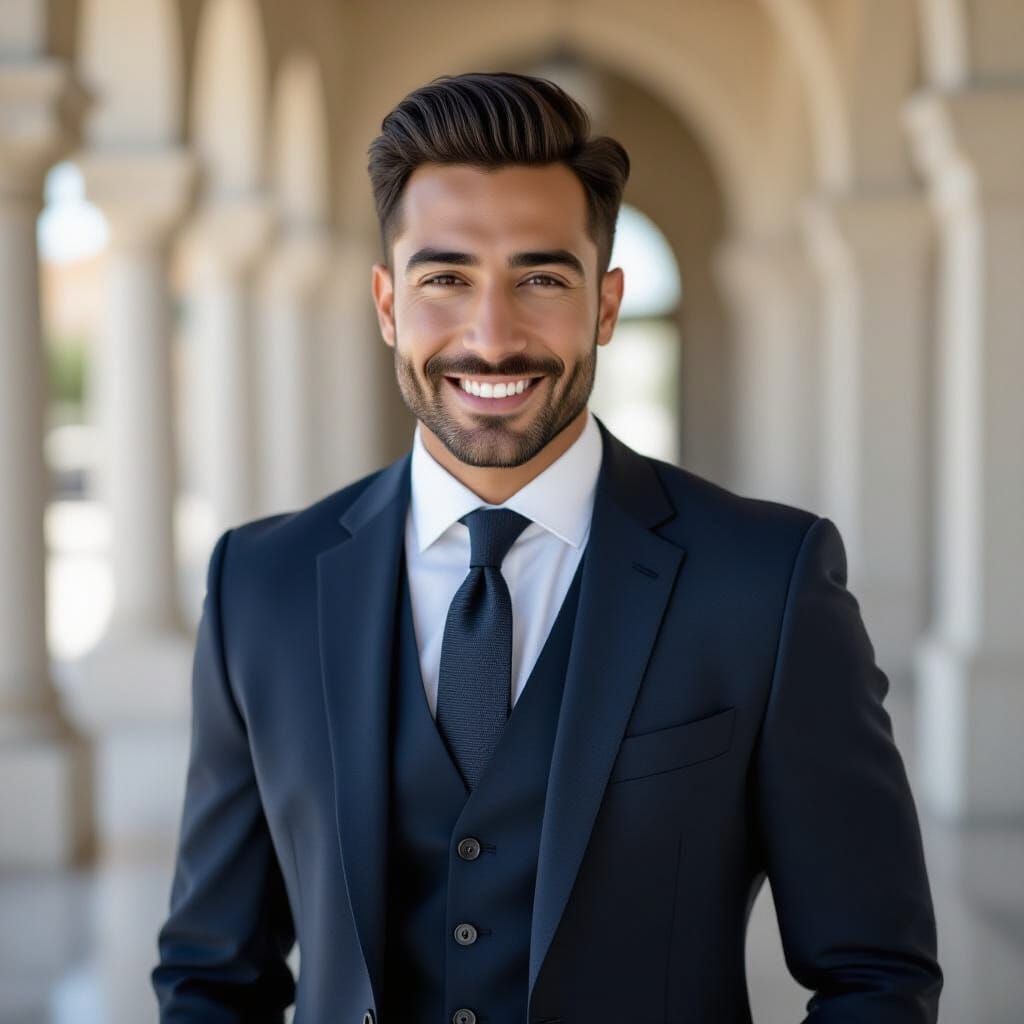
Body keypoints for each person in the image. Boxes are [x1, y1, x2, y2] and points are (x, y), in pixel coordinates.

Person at [152, 71, 942, 1023]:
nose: (493, 338)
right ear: (386, 303)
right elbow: (211, 976)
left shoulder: (766, 583)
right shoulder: (259, 586)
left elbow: (874, 975)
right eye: (445, 278)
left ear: (605, 306)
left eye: (540, 278)